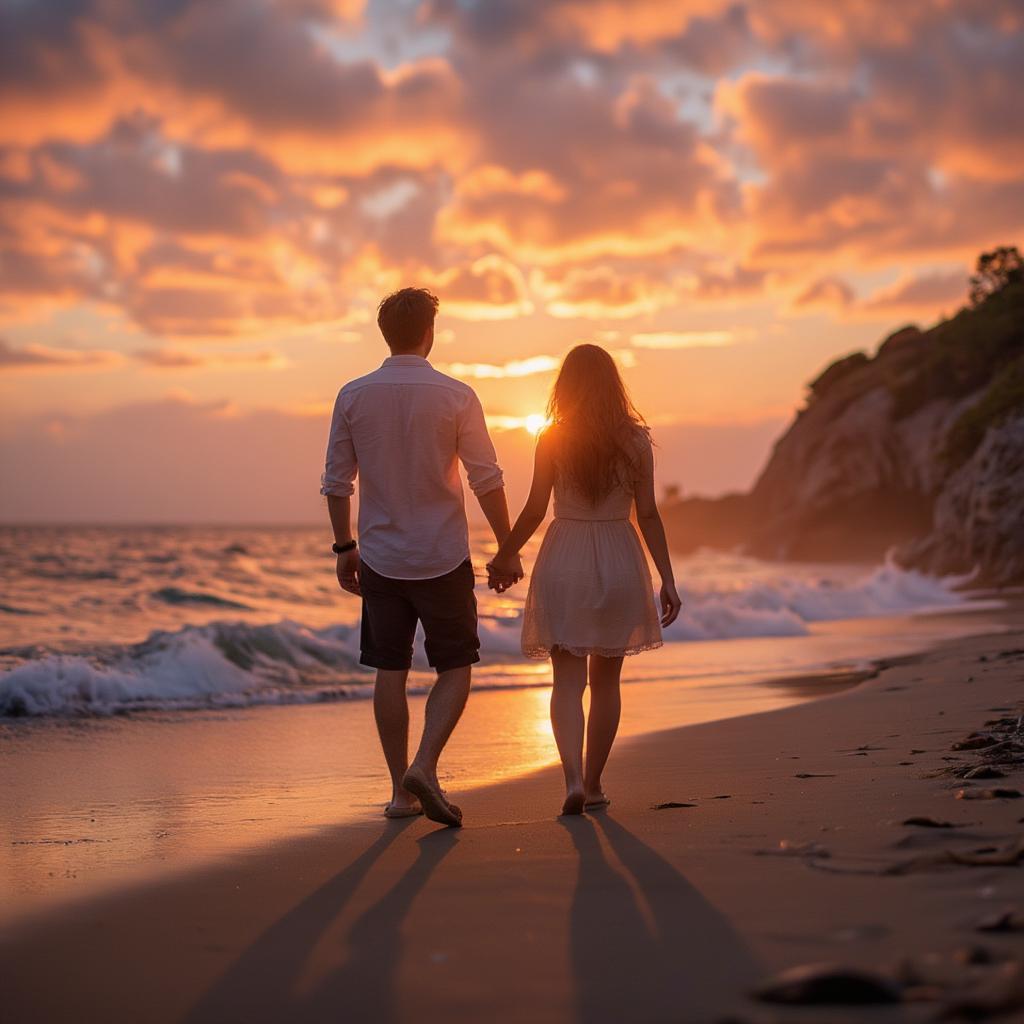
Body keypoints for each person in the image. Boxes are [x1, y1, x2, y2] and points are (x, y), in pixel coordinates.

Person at [322, 288, 522, 827]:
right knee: (455, 667)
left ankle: (400, 793)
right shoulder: (456, 395)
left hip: (382, 557)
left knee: (389, 669)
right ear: (430, 332)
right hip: (441, 554)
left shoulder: (353, 395)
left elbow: (337, 481)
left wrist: (344, 547)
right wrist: (506, 546)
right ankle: (425, 765)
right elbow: (487, 478)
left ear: (385, 334)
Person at [487, 344, 682, 815]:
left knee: (566, 681)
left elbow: (535, 508)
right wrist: (668, 580)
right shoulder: (636, 440)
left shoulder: (552, 437)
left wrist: (505, 554)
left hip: (566, 556)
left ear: (565, 387)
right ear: (614, 386)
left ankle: (572, 777)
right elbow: (650, 514)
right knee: (607, 681)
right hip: (618, 555)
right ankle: (594, 784)